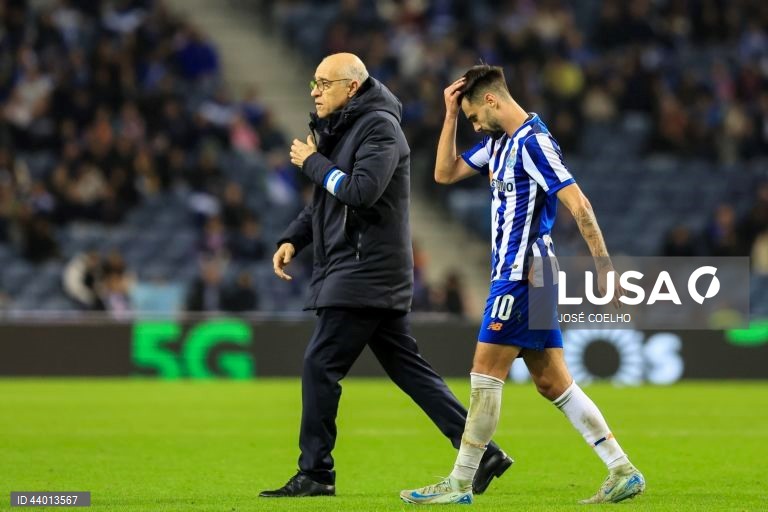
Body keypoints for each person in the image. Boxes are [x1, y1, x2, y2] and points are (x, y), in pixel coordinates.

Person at [260, 53, 513, 498]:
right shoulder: (345, 128)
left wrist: (313, 163)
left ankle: (316, 473)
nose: (315, 91)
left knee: (320, 365)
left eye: (324, 83)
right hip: (364, 269)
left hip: (364, 270)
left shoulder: (379, 128)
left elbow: (359, 192)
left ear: (352, 87)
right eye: (313, 83)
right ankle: (483, 452)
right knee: (409, 370)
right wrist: (293, 239)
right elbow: (326, 201)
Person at [400, 65, 645, 505]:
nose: (474, 125)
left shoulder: (534, 142)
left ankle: (459, 483)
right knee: (553, 383)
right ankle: (622, 468)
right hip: (533, 276)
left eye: (474, 116)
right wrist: (452, 114)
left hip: (523, 274)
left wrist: (605, 269)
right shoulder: (498, 143)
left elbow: (579, 203)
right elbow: (444, 173)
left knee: (484, 374)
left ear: (492, 100)